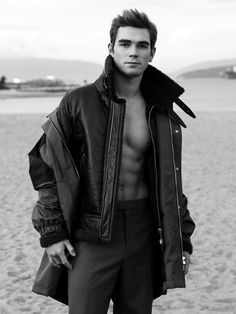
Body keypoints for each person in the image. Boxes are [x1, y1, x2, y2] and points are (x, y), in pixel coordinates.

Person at [28, 9, 196, 314]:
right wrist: (52, 231)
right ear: (111, 48)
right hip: (92, 232)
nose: (133, 52)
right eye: (125, 43)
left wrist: (182, 239)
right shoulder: (80, 101)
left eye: (142, 45)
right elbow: (46, 166)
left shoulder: (159, 111)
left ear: (152, 52)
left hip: (144, 230)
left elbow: (171, 180)